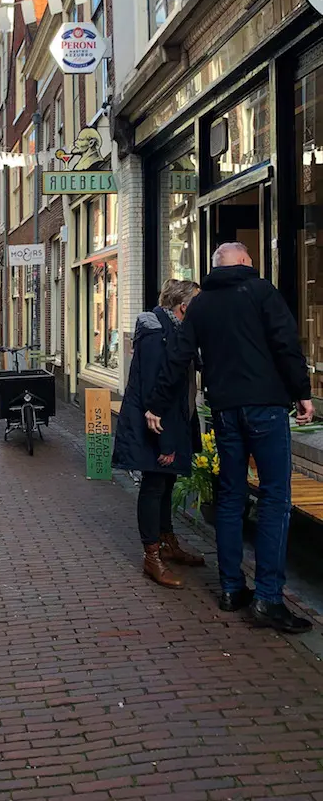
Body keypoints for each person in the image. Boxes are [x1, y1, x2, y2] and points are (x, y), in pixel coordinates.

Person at [146, 242, 314, 634]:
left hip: (224, 411)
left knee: (230, 496)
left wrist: (156, 403)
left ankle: (231, 588)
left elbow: (178, 357)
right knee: (274, 499)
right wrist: (302, 392)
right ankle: (268, 598)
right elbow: (286, 344)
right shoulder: (262, 292)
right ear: (242, 262)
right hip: (266, 407)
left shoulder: (201, 304)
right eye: (250, 260)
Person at [113, 279, 203, 589]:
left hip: (173, 423)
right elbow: (154, 390)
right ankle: (151, 556)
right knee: (154, 485)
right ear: (184, 307)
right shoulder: (157, 335)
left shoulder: (176, 331)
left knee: (166, 482)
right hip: (159, 427)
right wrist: (166, 441)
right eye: (198, 303)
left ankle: (167, 542)